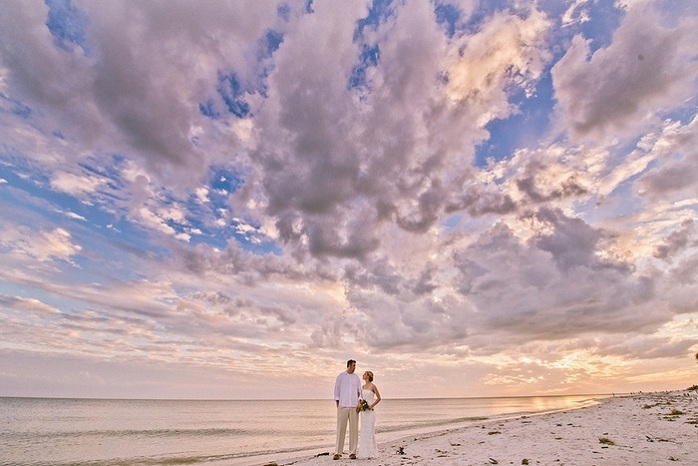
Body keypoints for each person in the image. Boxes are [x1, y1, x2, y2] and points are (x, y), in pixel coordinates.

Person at [333, 359, 362, 460]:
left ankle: (352, 452)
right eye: (354, 365)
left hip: (354, 406)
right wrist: (338, 403)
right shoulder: (341, 376)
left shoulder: (356, 377)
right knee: (341, 429)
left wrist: (359, 402)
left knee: (354, 430)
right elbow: (336, 389)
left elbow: (360, 391)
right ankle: (338, 452)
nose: (355, 367)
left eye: (355, 366)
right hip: (343, 405)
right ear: (349, 365)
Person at [358, 370, 381, 459]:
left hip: (370, 412)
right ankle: (364, 452)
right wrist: (361, 405)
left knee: (370, 430)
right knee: (364, 430)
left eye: (364, 374)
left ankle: (371, 452)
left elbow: (379, 398)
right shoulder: (363, 387)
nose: (363, 375)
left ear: (368, 376)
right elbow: (361, 399)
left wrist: (371, 405)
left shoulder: (373, 386)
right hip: (364, 412)